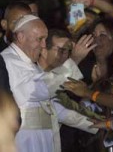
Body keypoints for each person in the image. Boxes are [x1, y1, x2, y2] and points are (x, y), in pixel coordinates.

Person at [1, 14, 90, 152]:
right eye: (40, 39)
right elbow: (40, 89)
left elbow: (56, 109)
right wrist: (74, 61)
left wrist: (100, 125)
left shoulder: (30, 63)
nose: (43, 45)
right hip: (25, 144)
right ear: (20, 37)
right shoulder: (8, 61)